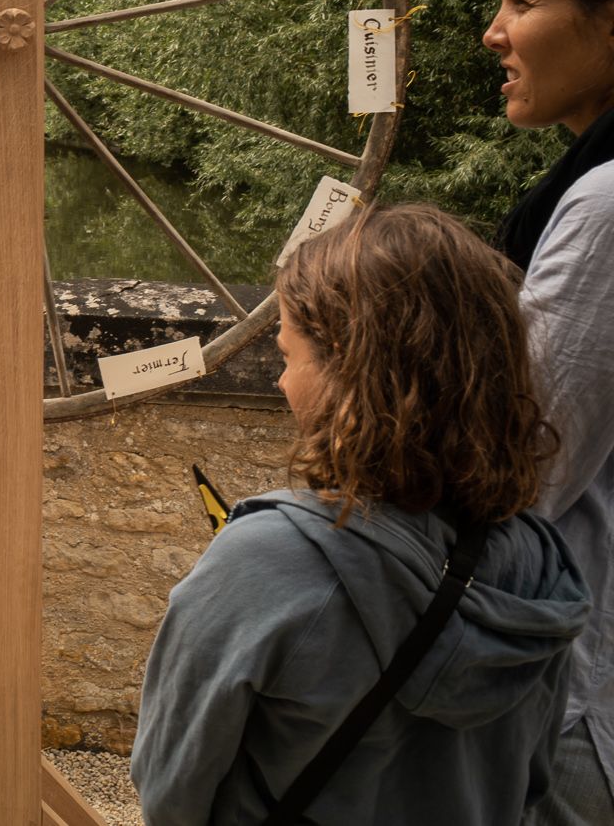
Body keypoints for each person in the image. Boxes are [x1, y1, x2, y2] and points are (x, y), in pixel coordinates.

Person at [130, 203, 589, 826]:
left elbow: (170, 790)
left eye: (290, 357)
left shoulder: (266, 561)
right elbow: (528, 782)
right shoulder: (542, 564)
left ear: (348, 365)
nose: (281, 384)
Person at [485, 0, 614, 826]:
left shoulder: (605, 210)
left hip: (577, 695)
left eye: (521, 3)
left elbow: (527, 458)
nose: (494, 32)